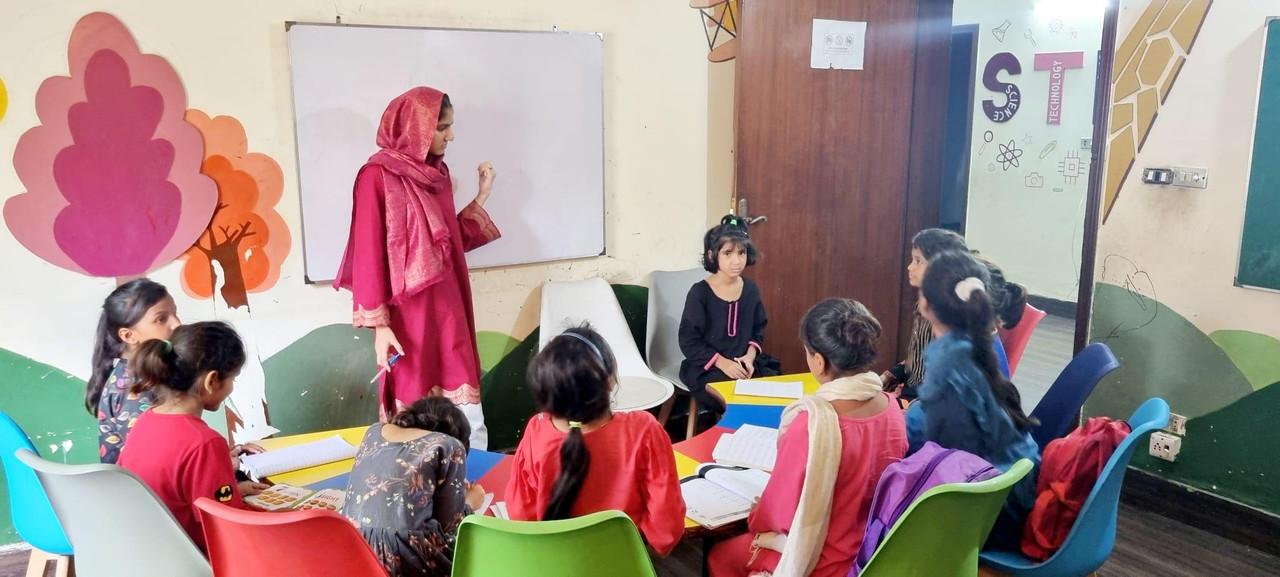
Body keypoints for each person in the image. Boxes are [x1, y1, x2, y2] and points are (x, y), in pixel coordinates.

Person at [334, 87, 502, 449]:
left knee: (468, 414)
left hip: (449, 309)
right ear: (415, 128)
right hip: (406, 319)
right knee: (412, 417)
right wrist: (379, 326)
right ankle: (416, 494)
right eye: (442, 127)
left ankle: (474, 493)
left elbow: (448, 243)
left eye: (450, 126)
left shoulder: (437, 175)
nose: (450, 136)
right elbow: (368, 253)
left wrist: (482, 196)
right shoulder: (375, 177)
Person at [708, 299, 907, 576]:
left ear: (819, 360)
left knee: (722, 555)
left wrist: (757, 514)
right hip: (874, 554)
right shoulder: (892, 408)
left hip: (820, 562)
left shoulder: (813, 423)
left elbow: (779, 513)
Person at [505, 325, 685, 555]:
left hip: (555, 564)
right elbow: (667, 526)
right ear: (609, 380)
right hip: (625, 564)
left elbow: (520, 515)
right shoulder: (644, 430)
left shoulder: (536, 431)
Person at [905, 251, 1041, 551]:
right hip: (1011, 501)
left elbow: (903, 445)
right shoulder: (986, 353)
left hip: (983, 522)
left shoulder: (952, 371)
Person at [117, 322, 268, 552]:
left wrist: (233, 492)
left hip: (153, 552)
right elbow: (229, 526)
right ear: (212, 381)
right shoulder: (205, 443)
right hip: (198, 558)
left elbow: (177, 496)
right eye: (233, 379)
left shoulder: (145, 421)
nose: (231, 388)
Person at [344, 396, 485, 577]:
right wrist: (470, 502)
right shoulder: (449, 445)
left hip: (353, 548)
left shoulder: (374, 431)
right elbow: (449, 528)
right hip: (406, 558)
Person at [679, 216, 780, 414]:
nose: (737, 261)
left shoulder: (751, 290)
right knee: (736, 395)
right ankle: (731, 439)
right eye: (727, 253)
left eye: (741, 253)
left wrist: (749, 358)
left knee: (771, 392)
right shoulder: (700, 293)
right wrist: (723, 363)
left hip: (744, 364)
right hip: (707, 367)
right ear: (712, 255)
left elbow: (757, 331)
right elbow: (689, 342)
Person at [86, 279, 180, 464]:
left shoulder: (139, 374)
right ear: (129, 335)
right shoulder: (137, 387)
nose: (177, 324)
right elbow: (152, 461)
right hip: (144, 492)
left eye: (175, 314)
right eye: (161, 319)